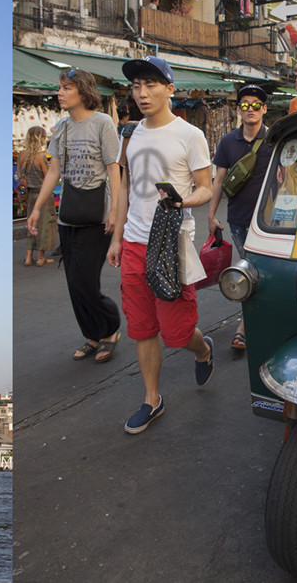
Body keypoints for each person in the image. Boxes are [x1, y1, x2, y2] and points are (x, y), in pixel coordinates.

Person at [108, 56, 214, 434]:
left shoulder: (190, 135)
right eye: (136, 86)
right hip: (135, 242)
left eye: (151, 85)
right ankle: (152, 399)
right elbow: (126, 190)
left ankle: (202, 349)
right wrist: (117, 237)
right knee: (141, 328)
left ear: (170, 89)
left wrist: (184, 201)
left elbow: (205, 186)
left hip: (171, 242)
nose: (142, 93)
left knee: (178, 333)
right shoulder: (130, 133)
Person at [28, 68, 122, 363]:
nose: (60, 93)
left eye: (66, 88)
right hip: (68, 216)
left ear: (83, 92)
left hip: (96, 216)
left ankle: (110, 328)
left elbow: (113, 169)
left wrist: (115, 210)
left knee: (85, 282)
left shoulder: (102, 123)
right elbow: (54, 171)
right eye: (60, 87)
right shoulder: (61, 127)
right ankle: (93, 335)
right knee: (73, 285)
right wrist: (37, 207)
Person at [208, 84, 272, 351]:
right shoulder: (227, 142)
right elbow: (219, 179)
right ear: (238, 110)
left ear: (264, 109)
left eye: (255, 105)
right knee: (249, 271)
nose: (250, 110)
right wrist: (211, 215)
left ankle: (252, 322)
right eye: (245, 105)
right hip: (239, 219)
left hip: (270, 223)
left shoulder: (275, 139)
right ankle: (247, 325)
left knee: (265, 272)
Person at [18, 126, 56, 266]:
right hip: (43, 195)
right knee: (44, 225)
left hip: (30, 194)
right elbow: (49, 177)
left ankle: (28, 257)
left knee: (31, 224)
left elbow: (20, 175)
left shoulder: (22, 155)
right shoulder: (41, 157)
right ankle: (41, 258)